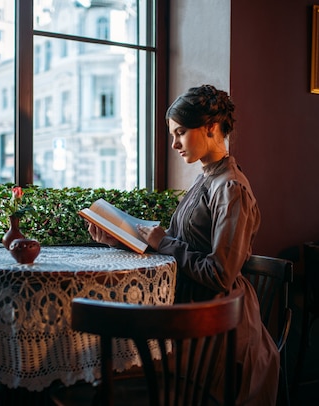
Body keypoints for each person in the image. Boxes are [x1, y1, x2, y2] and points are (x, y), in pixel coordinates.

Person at [87, 84, 279, 405]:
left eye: (181, 132)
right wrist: (121, 240)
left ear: (210, 127)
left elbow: (221, 274)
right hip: (190, 313)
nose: (174, 143)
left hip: (215, 325)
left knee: (112, 368)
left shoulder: (230, 187)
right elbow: (184, 248)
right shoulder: (206, 178)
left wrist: (162, 242)